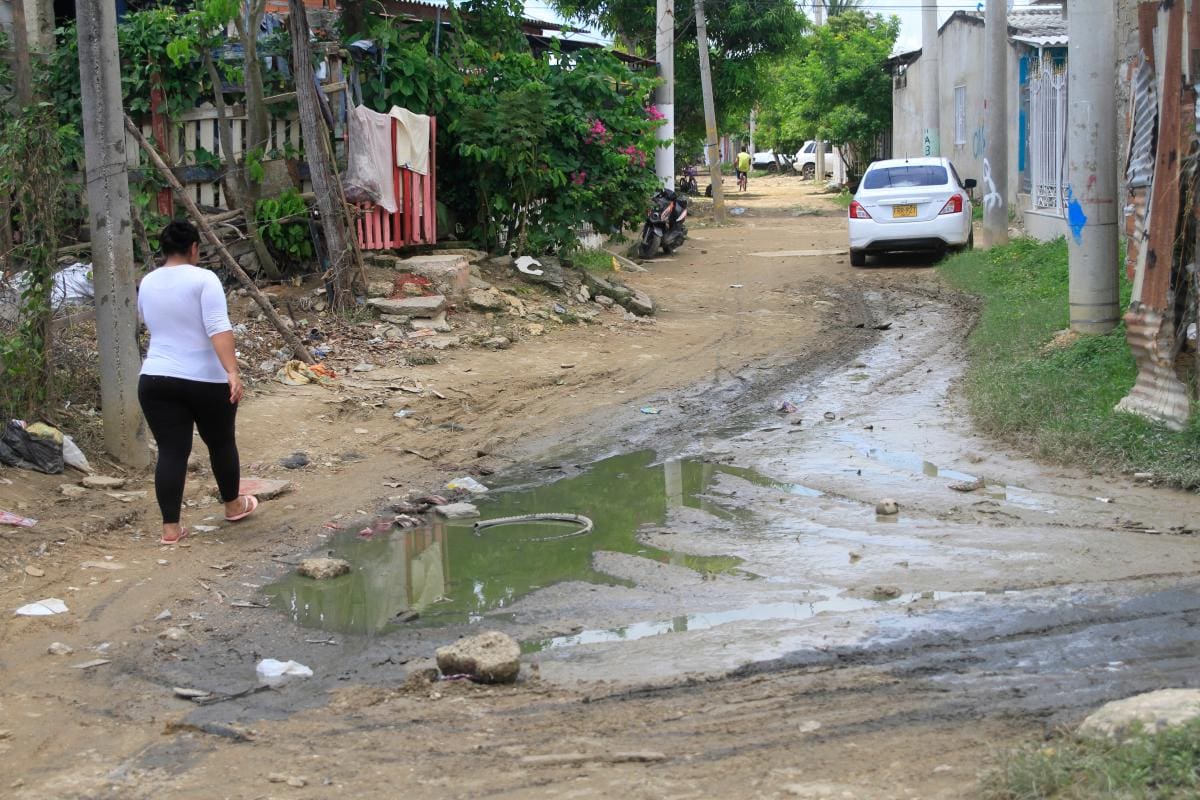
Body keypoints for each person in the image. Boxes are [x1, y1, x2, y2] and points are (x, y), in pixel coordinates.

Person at [137, 220, 258, 545]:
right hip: (204, 379)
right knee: (220, 443)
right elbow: (217, 326)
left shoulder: (147, 282)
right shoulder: (204, 279)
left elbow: (149, 322)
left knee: (171, 451)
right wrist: (232, 371)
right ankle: (233, 506)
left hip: (155, 378)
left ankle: (170, 529)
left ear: (164, 249)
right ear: (194, 249)